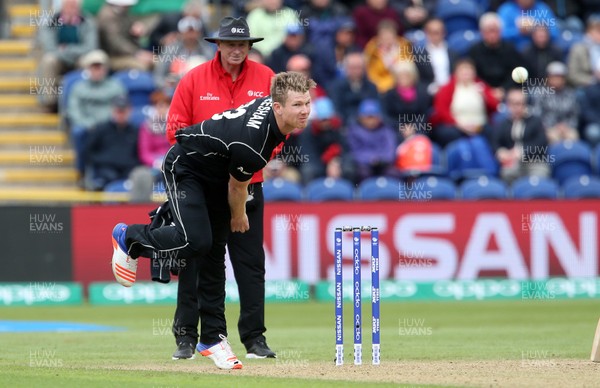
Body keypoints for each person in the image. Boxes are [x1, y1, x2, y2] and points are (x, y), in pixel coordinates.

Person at [111, 72, 315, 370]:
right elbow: (237, 186)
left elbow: (232, 175)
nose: (306, 110)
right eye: (297, 104)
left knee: (213, 254)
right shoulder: (254, 142)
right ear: (277, 107)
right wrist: (239, 214)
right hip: (186, 167)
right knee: (196, 241)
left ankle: (212, 337)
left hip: (216, 174)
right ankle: (129, 237)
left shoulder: (273, 117)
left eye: (307, 103)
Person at [165, 17, 277, 361]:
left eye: (242, 45)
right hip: (205, 185)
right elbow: (175, 129)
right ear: (218, 45)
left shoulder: (268, 78)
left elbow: (282, 125)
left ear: (249, 47)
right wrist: (211, 158)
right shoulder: (194, 78)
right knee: (195, 257)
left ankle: (254, 339)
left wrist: (256, 158)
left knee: (250, 262)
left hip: (248, 183)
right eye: (230, 44)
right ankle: (187, 336)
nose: (236, 50)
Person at [67, 50, 126, 182]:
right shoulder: (78, 88)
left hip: (110, 126)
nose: (97, 70)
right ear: (87, 69)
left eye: (99, 67)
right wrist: (88, 124)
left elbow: (121, 107)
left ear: (105, 68)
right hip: (88, 126)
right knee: (78, 132)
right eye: (93, 67)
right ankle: (81, 170)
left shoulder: (115, 86)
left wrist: (109, 124)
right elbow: (73, 110)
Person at [37, 0, 97, 112]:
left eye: (74, 7)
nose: (71, 10)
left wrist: (66, 50)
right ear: (62, 7)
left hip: (78, 58)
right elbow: (50, 47)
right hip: (59, 59)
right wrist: (67, 53)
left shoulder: (88, 21)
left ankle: (85, 98)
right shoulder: (51, 21)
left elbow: (90, 47)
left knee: (88, 61)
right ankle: (50, 101)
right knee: (48, 60)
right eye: (69, 6)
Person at [429, 58, 499, 147]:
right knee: (446, 133)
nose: (466, 73)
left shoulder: (481, 86)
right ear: (456, 73)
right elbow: (441, 110)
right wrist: (460, 125)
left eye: (469, 69)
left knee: (493, 131)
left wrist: (485, 97)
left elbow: (495, 107)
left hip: (480, 125)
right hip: (456, 126)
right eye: (462, 70)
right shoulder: (447, 88)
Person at [493, 88, 550, 183]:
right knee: (506, 174)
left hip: (534, 162)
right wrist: (501, 152)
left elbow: (541, 143)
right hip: (512, 163)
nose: (516, 107)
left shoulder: (535, 121)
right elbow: (495, 142)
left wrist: (521, 152)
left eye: (520, 103)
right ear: (508, 105)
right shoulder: (502, 124)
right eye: (513, 103)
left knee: (539, 177)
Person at [85, 96, 140, 190]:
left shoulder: (135, 131)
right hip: (106, 170)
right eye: (118, 111)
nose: (120, 114)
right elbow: (88, 151)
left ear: (129, 111)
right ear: (112, 110)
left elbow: (139, 153)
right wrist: (101, 160)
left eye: (123, 111)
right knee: (107, 178)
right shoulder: (101, 129)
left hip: (128, 171)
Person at [468, 12, 525, 102]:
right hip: (482, 93)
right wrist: (488, 91)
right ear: (482, 32)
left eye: (495, 30)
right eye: (489, 31)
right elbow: (473, 75)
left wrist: (503, 89)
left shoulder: (510, 49)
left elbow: (518, 72)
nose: (492, 35)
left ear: (501, 31)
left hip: (508, 91)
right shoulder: (474, 51)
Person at [152, 16, 213, 89]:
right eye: (187, 32)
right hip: (175, 92)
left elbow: (213, 75)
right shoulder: (170, 50)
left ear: (199, 33)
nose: (190, 35)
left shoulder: (207, 51)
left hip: (201, 90)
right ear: (180, 33)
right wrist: (166, 85)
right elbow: (158, 76)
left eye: (193, 31)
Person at [346, 99, 398, 182]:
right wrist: (371, 159)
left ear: (379, 117)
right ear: (360, 118)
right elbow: (354, 152)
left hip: (383, 164)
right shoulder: (354, 131)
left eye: (373, 117)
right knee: (362, 173)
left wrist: (380, 159)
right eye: (368, 117)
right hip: (363, 165)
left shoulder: (386, 130)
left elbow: (391, 150)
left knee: (393, 173)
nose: (371, 121)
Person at [97, 0, 153, 71]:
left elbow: (133, 27)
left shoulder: (122, 13)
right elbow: (115, 42)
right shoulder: (107, 17)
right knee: (143, 65)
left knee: (156, 61)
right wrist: (136, 53)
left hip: (127, 53)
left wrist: (138, 29)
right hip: (113, 57)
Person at [530, 61, 579, 144]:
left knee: (573, 136)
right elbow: (537, 115)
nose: (557, 80)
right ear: (548, 78)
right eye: (554, 77)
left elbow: (574, 115)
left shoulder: (570, 94)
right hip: (548, 128)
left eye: (559, 77)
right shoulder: (540, 93)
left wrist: (566, 126)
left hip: (567, 128)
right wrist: (553, 126)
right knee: (554, 138)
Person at [328, 51, 379, 125]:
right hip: (345, 125)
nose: (356, 71)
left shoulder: (371, 87)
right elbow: (337, 110)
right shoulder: (336, 87)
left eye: (358, 68)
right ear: (346, 68)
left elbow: (376, 109)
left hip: (368, 125)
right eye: (352, 68)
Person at [364, 20, 413, 93]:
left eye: (389, 34)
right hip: (381, 88)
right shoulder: (372, 50)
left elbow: (410, 69)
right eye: (384, 35)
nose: (387, 38)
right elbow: (371, 74)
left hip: (403, 85)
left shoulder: (405, 46)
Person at [567, 14, 600, 88]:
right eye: (597, 31)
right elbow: (572, 75)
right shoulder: (578, 49)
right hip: (585, 86)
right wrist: (592, 80)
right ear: (589, 32)